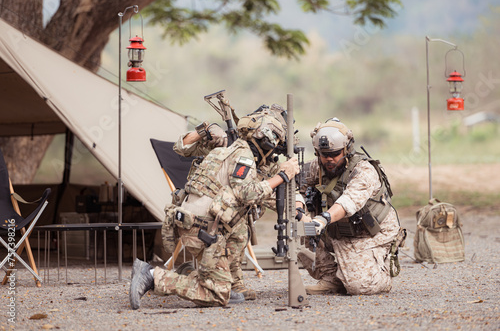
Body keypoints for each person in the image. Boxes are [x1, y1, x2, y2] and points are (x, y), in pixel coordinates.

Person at [130, 107, 299, 308]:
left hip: (199, 222)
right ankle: (152, 276)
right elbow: (246, 193)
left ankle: (207, 277)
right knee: (218, 294)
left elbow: (266, 194)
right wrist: (283, 176)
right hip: (203, 228)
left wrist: (297, 203)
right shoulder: (241, 154)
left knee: (239, 227)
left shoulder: (247, 155)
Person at [169, 104, 285, 301]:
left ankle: (233, 281)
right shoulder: (230, 145)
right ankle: (200, 278)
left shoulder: (269, 160)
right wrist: (205, 130)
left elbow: (279, 193)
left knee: (240, 229)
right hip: (208, 213)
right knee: (233, 225)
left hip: (235, 209)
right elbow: (180, 147)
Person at [295, 118, 405, 296]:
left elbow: (348, 202)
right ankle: (331, 278)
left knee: (359, 287)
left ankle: (381, 273)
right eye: (324, 155)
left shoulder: (363, 170)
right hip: (339, 231)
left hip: (371, 235)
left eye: (335, 154)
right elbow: (294, 186)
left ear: (346, 150)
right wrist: (300, 211)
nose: (329, 159)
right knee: (294, 229)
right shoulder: (318, 166)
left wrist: (322, 220)